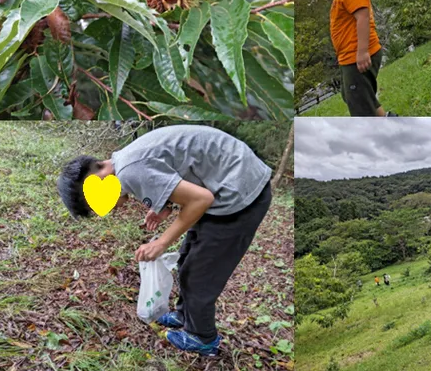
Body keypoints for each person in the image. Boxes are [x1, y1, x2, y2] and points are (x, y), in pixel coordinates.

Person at [57, 125, 273, 356]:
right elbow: (176, 170)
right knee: (187, 258)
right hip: (228, 181)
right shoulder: (124, 161)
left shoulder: (131, 171)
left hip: (240, 194)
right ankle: (183, 316)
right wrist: (165, 206)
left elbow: (201, 199)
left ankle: (203, 338)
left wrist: (161, 243)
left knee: (200, 274)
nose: (106, 209)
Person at [325, 0, 397, 117]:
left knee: (359, 104)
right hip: (348, 57)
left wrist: (362, 52)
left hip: (357, 56)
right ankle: (387, 120)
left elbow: (363, 18)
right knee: (356, 96)